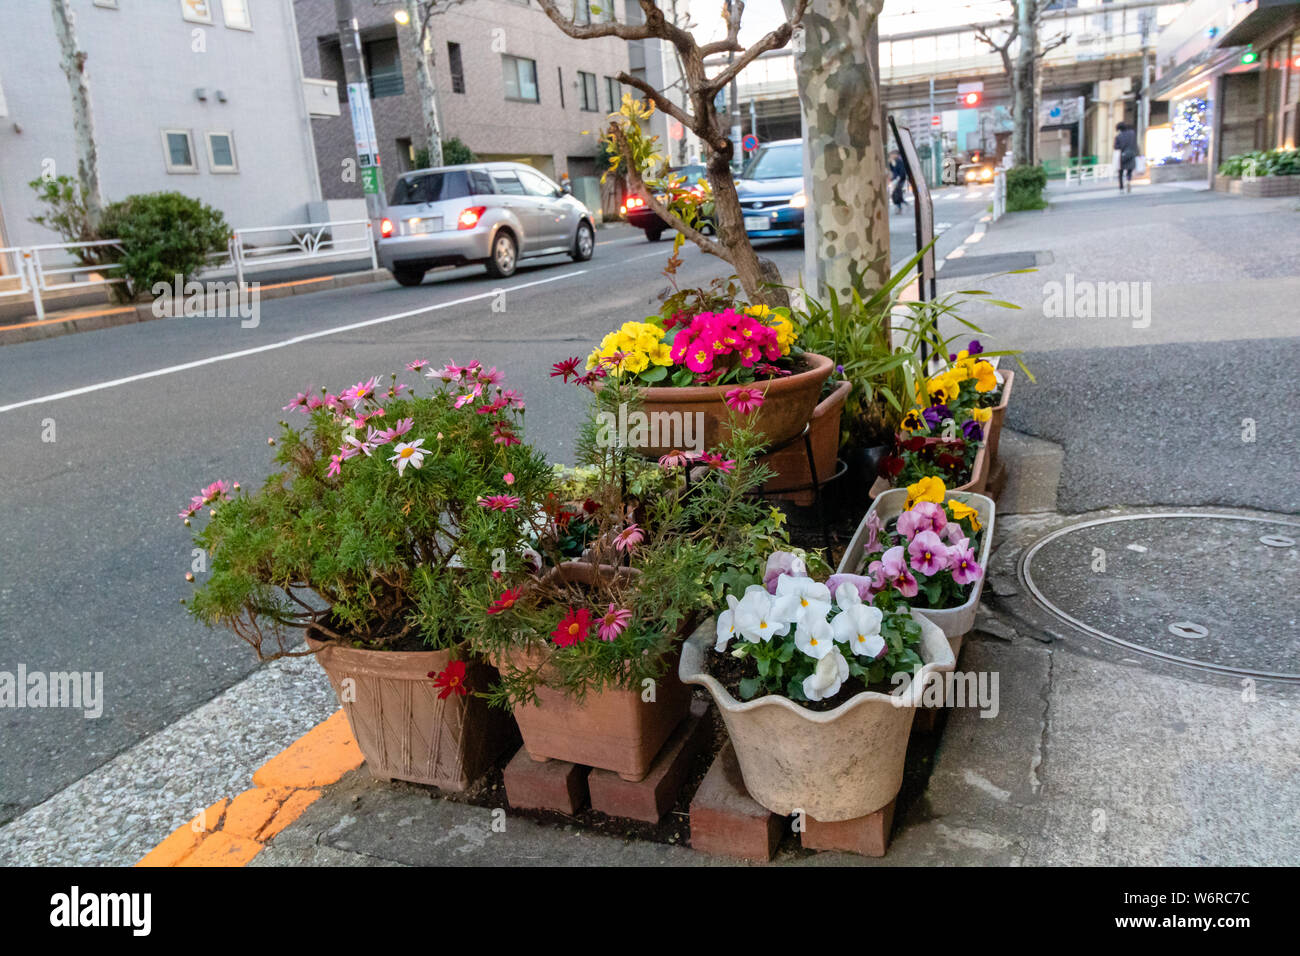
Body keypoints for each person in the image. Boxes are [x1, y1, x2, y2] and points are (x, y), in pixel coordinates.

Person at [1114, 122, 1138, 193]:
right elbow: (1135, 143)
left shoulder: (1118, 137)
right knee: (1129, 170)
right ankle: (1128, 180)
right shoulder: (1132, 133)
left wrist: (1121, 147)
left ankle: (1121, 187)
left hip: (1123, 155)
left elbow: (1116, 147)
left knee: (1120, 172)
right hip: (1131, 154)